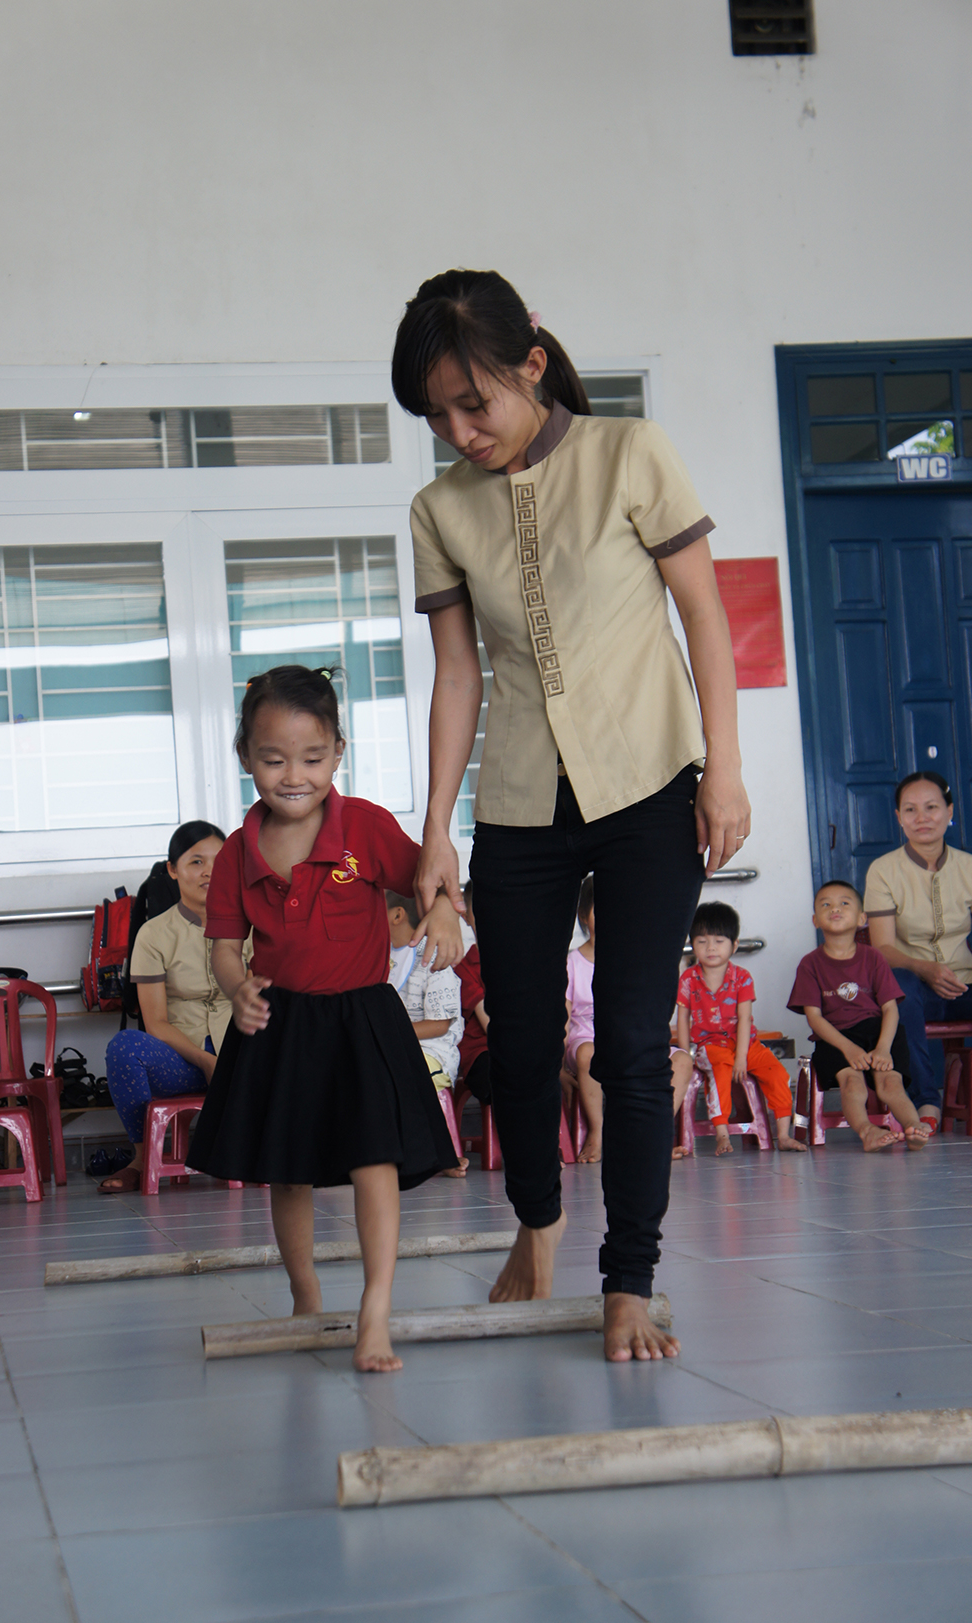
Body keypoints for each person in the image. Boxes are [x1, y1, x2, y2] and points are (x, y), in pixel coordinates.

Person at [392, 268, 751, 1360]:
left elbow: (703, 615)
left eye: (475, 404)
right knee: (526, 1037)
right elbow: (459, 675)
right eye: (438, 416)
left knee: (636, 1043)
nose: (461, 433)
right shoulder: (440, 507)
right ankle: (537, 1227)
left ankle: (628, 1278)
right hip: (519, 801)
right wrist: (436, 829)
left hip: (649, 784)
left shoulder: (629, 454)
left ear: (532, 366)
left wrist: (723, 772)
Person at [186, 665, 461, 1373]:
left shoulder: (364, 825)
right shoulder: (237, 852)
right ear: (245, 756)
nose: (293, 775)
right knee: (290, 1169)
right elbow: (223, 949)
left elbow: (425, 880)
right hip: (280, 1026)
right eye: (273, 759)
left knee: (375, 1160)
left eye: (312, 758)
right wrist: (238, 986)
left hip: (361, 1021)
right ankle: (305, 1293)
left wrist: (439, 912)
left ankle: (375, 1308)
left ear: (339, 751)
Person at [98, 820, 234, 1194]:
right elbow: (155, 1021)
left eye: (219, 861)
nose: (209, 871)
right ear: (173, 870)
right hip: (185, 1060)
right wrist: (206, 1061)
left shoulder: (250, 925)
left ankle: (286, 1149)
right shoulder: (154, 934)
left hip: (243, 1053)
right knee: (124, 1047)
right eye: (195, 862)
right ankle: (143, 1160)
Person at [865, 771, 972, 1135]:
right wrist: (924, 968)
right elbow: (882, 948)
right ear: (898, 817)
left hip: (965, 984)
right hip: (916, 987)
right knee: (899, 988)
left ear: (950, 811)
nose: (922, 818)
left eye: (931, 807)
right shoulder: (883, 871)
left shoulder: (969, 867)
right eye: (910, 810)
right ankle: (926, 1101)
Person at [789, 881, 928, 1151]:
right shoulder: (810, 964)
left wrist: (884, 1049)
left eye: (844, 903)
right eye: (826, 904)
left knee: (891, 1082)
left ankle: (913, 1126)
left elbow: (890, 1009)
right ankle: (867, 1132)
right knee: (852, 1083)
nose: (835, 909)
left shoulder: (874, 958)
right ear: (815, 920)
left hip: (880, 1032)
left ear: (862, 918)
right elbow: (815, 1018)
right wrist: (849, 1048)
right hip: (835, 1037)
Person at [676, 902, 805, 1153]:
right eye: (702, 941)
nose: (710, 948)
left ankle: (784, 1135)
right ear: (693, 945)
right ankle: (722, 1134)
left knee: (778, 1074)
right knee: (720, 1071)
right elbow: (683, 1018)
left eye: (719, 940)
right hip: (709, 1047)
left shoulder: (742, 977)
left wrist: (743, 1059)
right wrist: (684, 1055)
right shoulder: (688, 979)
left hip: (746, 1044)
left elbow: (745, 1019)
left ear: (734, 945)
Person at [386, 890, 468, 1177]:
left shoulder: (432, 955)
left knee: (415, 1070)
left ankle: (444, 1152)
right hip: (389, 1045)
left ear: (397, 915)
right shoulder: (376, 956)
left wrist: (388, 1033)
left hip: (432, 1049)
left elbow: (440, 1024)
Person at [561, 875, 602, 1163]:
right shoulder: (572, 963)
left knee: (682, 1062)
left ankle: (658, 1134)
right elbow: (561, 1020)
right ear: (583, 916)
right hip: (583, 1039)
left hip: (622, 1038)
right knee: (589, 1053)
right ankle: (598, 1132)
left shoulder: (632, 959)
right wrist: (559, 1063)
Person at [456, 879, 491, 1106]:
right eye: (481, 911)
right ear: (466, 917)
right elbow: (489, 1024)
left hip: (519, 1047)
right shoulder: (465, 967)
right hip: (482, 1053)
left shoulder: (521, 963)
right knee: (509, 1077)